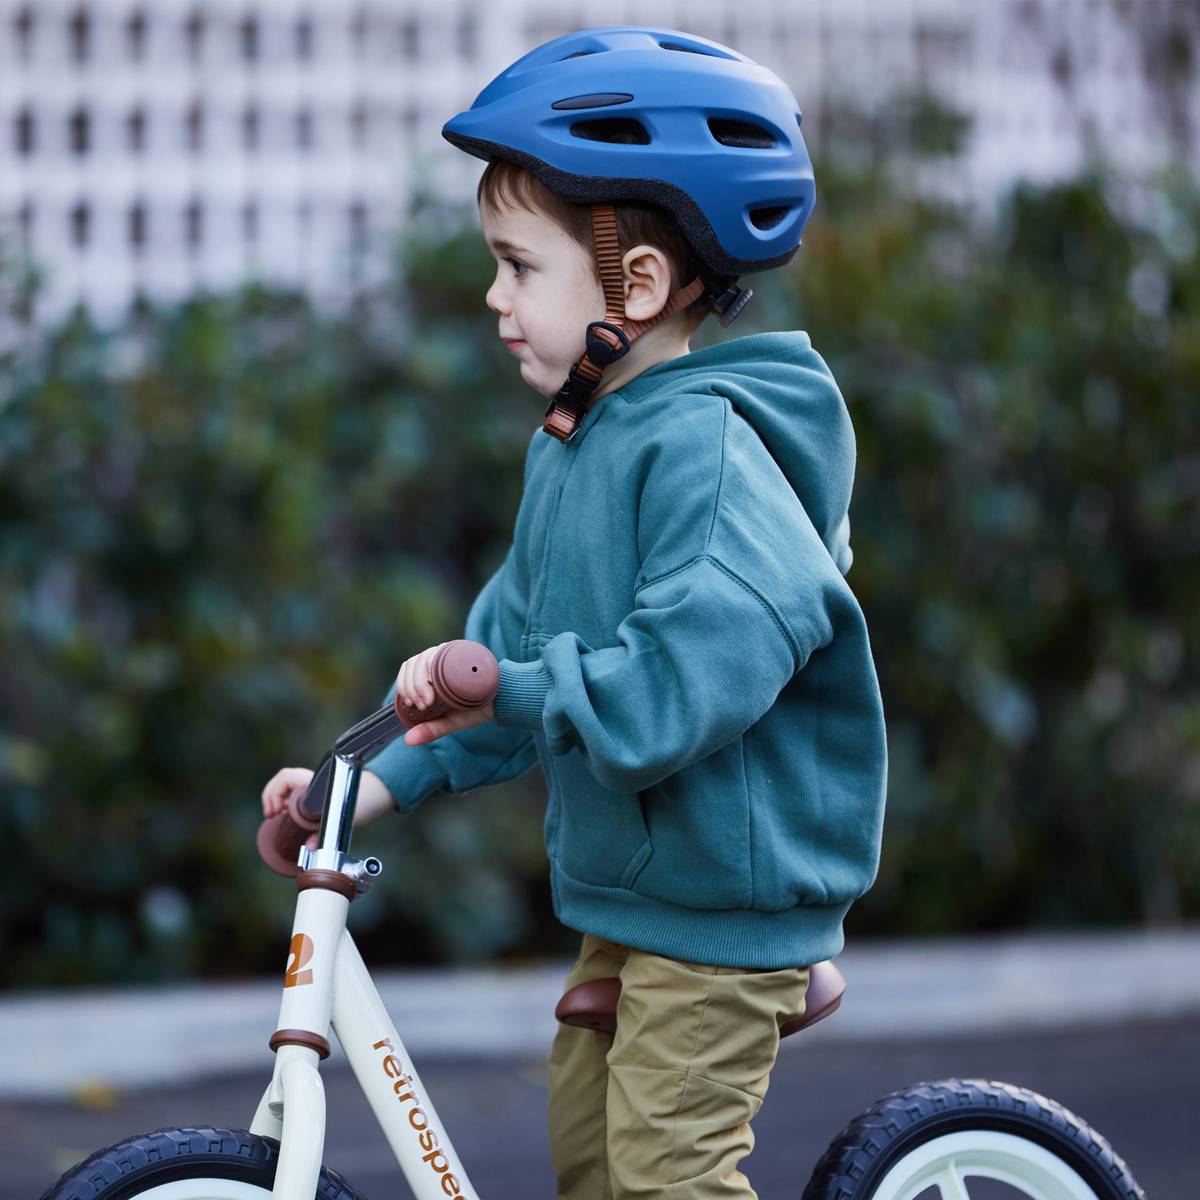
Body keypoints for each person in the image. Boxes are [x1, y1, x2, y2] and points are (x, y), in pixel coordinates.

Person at [262, 25, 887, 1200]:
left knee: (666, 1173)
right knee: (591, 1161)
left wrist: (516, 685)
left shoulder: (707, 454)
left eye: (518, 265)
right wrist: (370, 780)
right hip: (634, 895)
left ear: (635, 288)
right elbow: (501, 655)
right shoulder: (576, 444)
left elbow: (678, 683)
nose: (493, 296)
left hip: (723, 902)